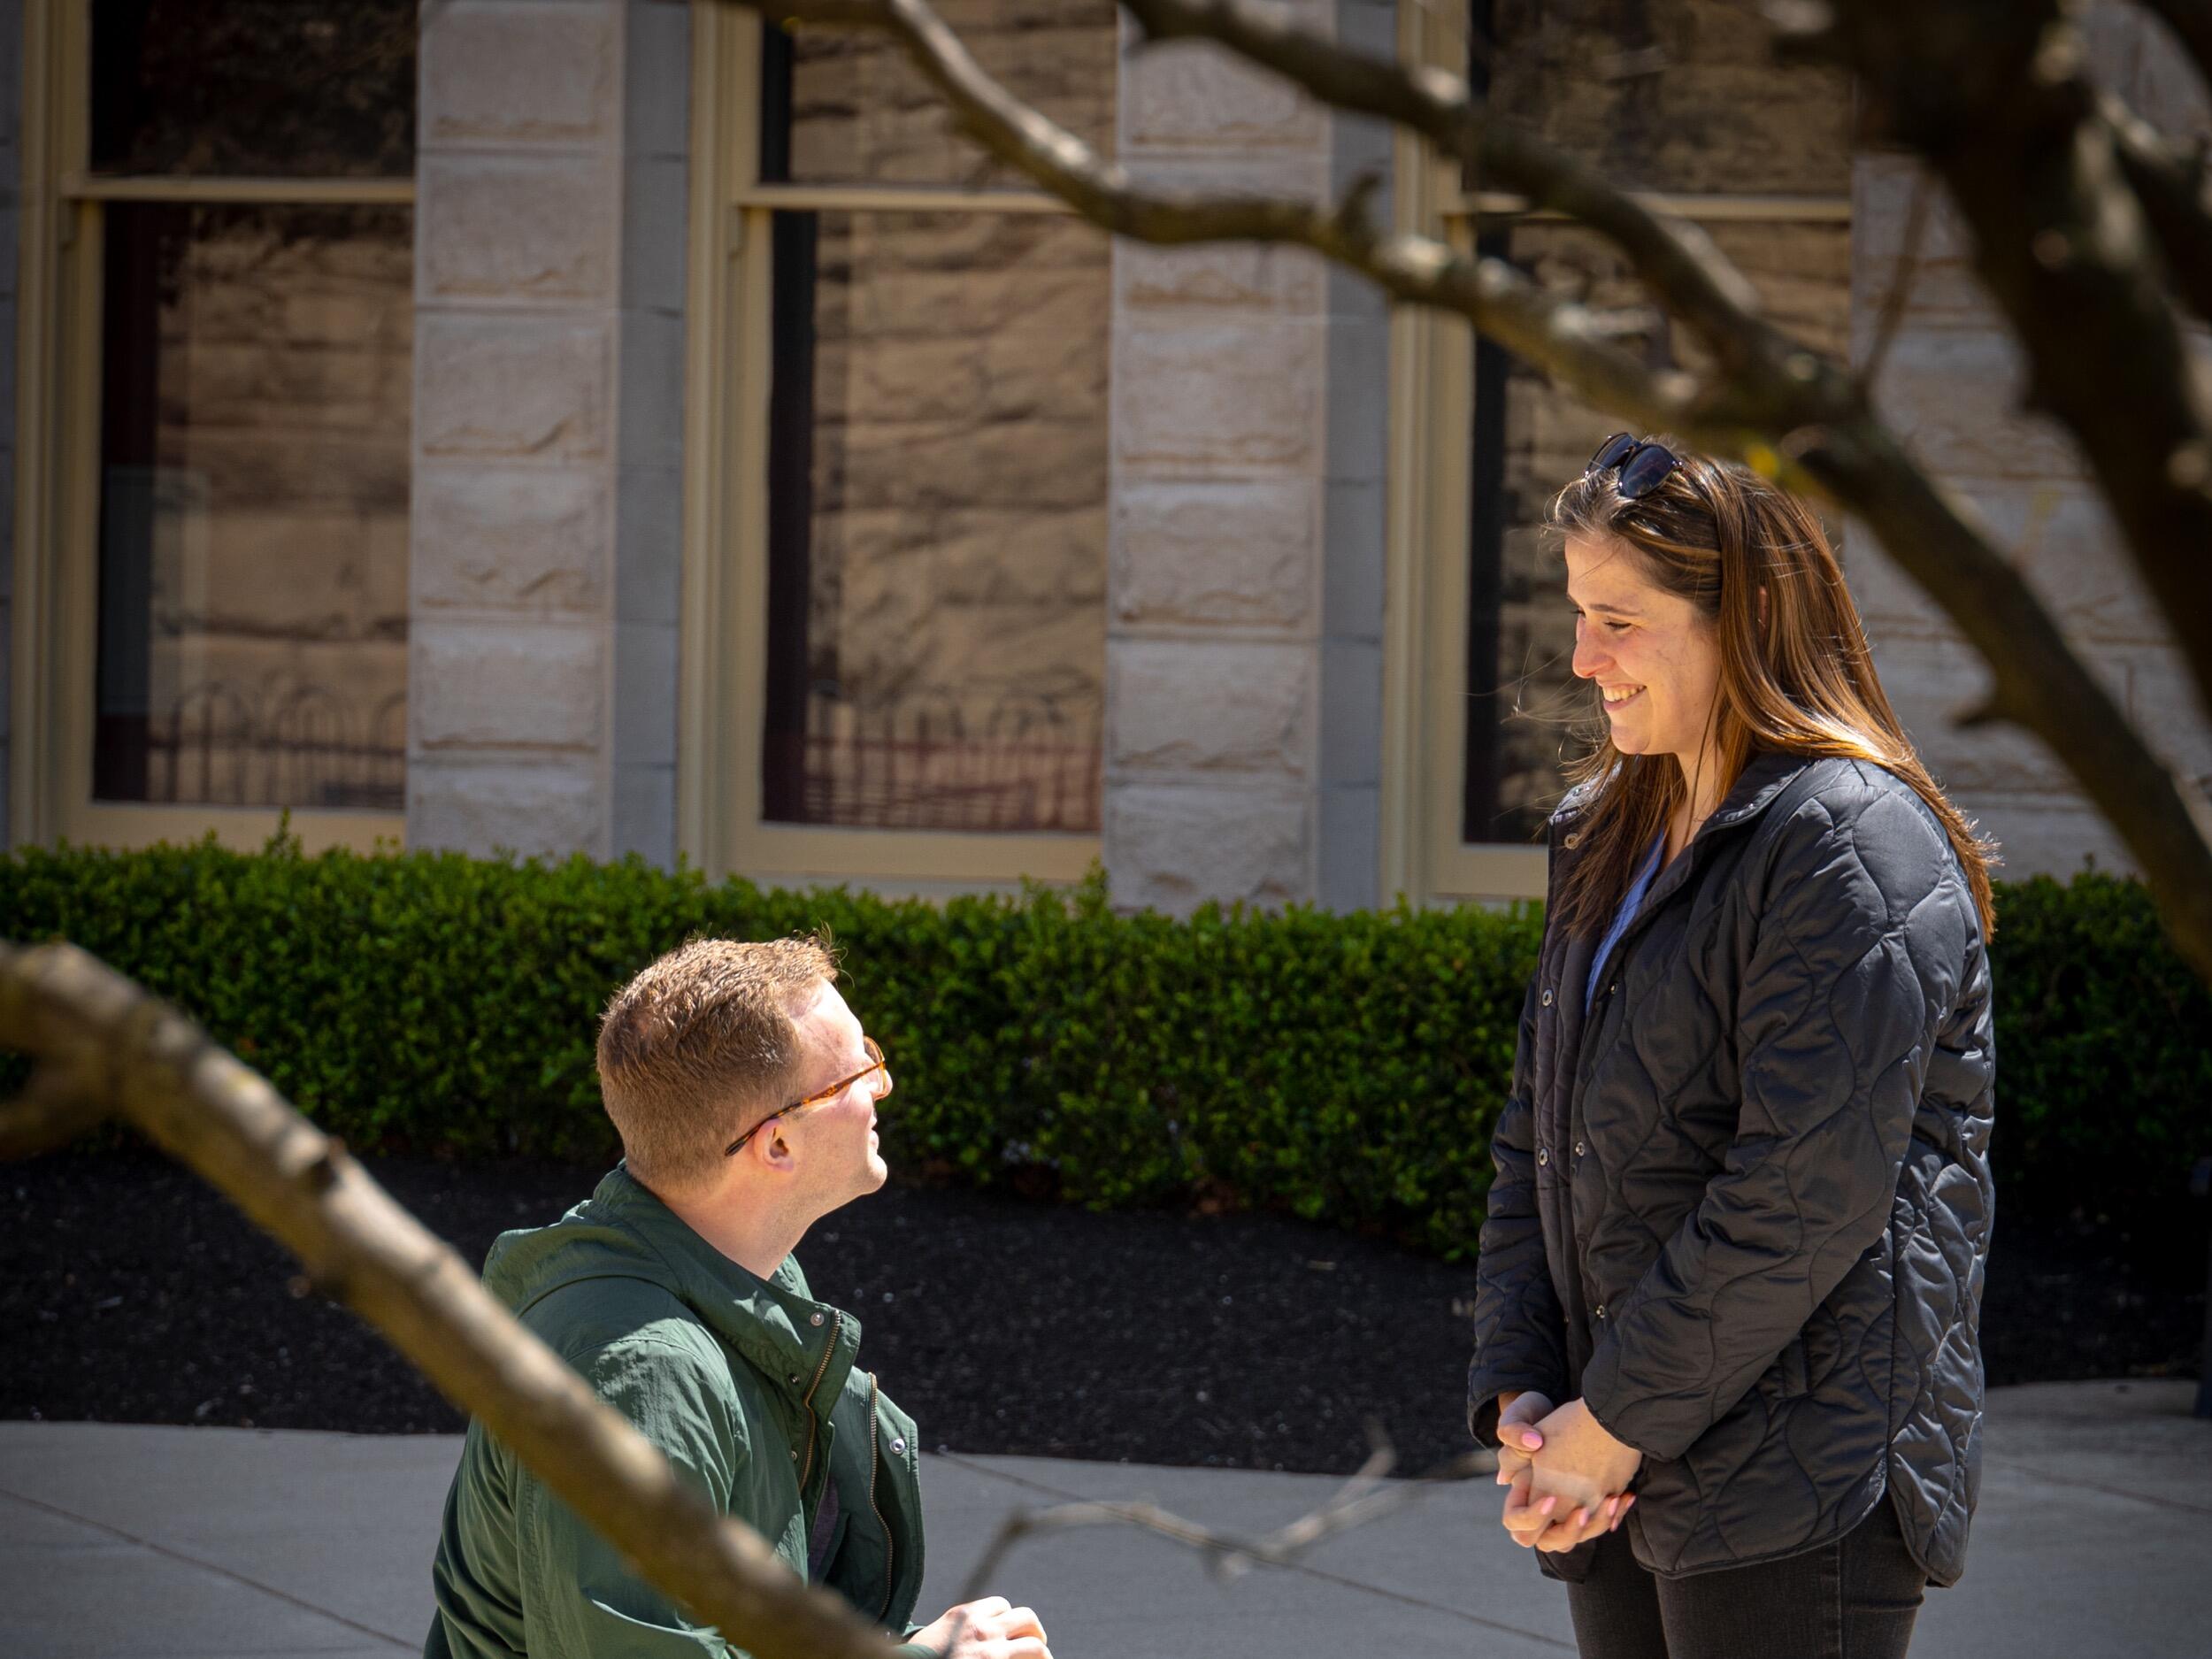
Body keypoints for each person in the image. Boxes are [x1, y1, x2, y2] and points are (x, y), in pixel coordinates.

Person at [1465, 435, 1996, 1659]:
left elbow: (1804, 1195)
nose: (1584, 657)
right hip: (1616, 1463)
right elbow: (1535, 1138)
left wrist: (1611, 1422)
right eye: (1578, 615)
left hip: (1797, 1481)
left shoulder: (1855, 846)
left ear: (1742, 616)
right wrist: (1528, 1400)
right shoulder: (1604, 828)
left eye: (1620, 620)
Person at [426, 935, 1050, 1659]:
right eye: (858, 1070)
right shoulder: (640, 1374)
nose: (883, 1085)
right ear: (775, 1145)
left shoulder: (733, 1266)